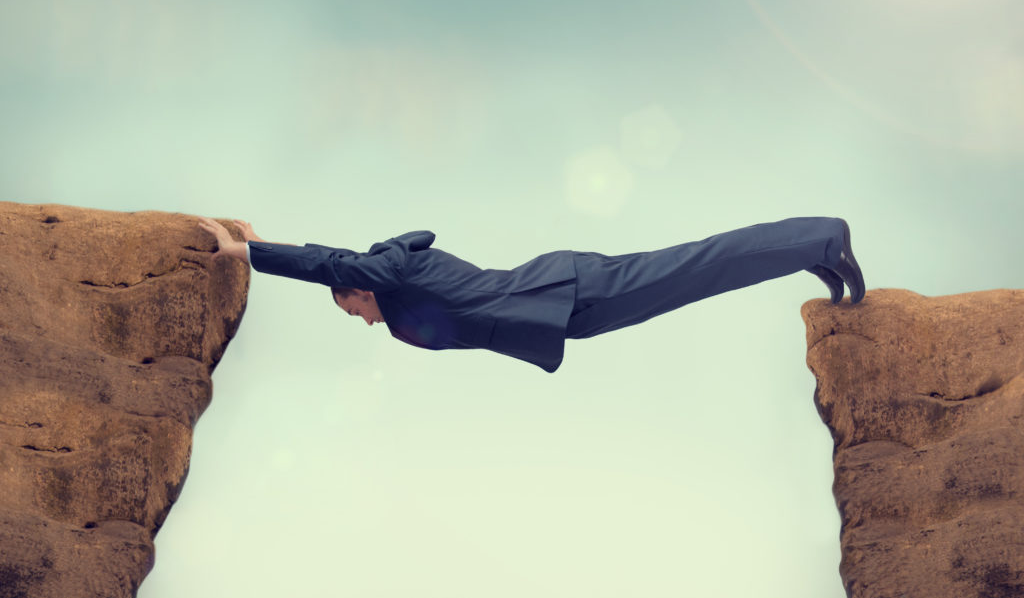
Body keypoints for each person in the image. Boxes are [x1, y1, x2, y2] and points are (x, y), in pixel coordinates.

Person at [197, 216, 864, 372]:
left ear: (360, 286)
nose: (365, 320)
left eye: (355, 308)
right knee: (696, 279)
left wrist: (246, 251)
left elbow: (327, 261)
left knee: (695, 265)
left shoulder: (389, 271)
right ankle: (812, 252)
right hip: (569, 314)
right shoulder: (399, 296)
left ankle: (823, 238)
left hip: (567, 290)